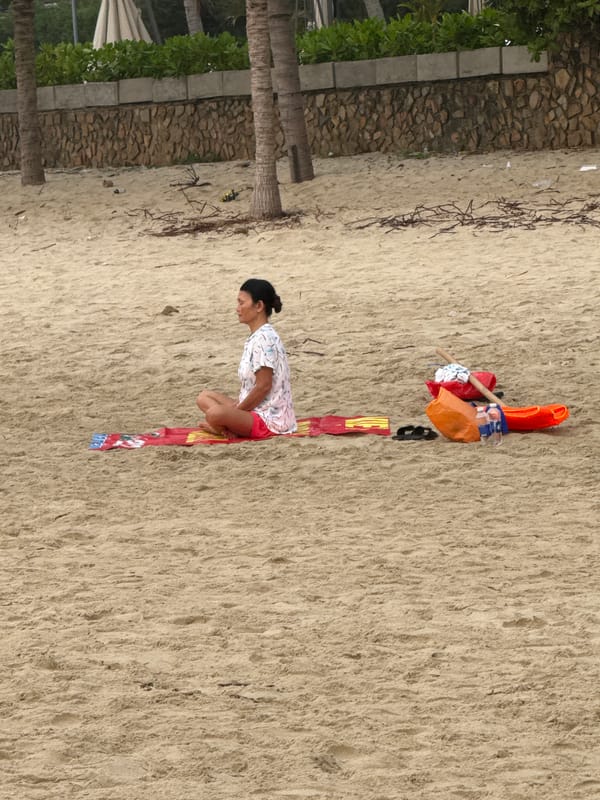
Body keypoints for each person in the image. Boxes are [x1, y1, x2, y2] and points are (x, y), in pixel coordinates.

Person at [196, 279, 297, 439]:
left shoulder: (264, 339)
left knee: (215, 414)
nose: (237, 309)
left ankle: (222, 427)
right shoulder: (257, 336)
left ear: (258, 306)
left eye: (242, 303)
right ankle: (224, 426)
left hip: (268, 420)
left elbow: (264, 386)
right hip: (252, 409)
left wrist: (238, 411)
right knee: (204, 397)